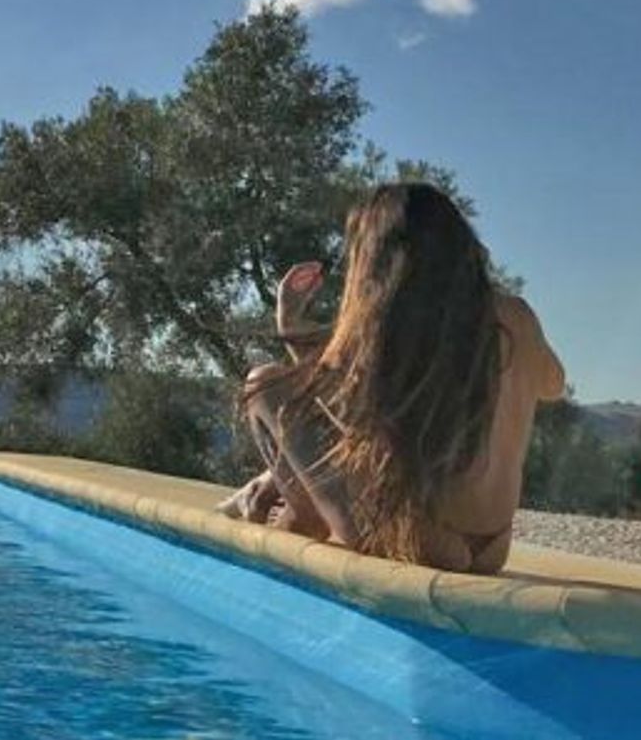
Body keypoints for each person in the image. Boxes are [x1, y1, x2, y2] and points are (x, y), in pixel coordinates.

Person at [216, 182, 566, 574]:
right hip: (491, 550)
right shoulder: (517, 316)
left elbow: (334, 399)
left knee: (265, 384)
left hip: (420, 541)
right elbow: (553, 386)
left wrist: (290, 324)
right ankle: (278, 492)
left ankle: (299, 510)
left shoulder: (394, 325)